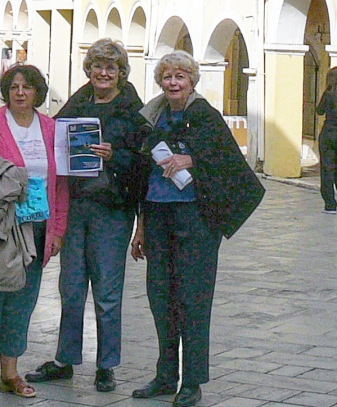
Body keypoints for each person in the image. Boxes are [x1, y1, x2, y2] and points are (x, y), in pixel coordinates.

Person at [130, 51, 265, 407]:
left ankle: (192, 381)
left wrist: (192, 158)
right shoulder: (153, 115)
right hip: (157, 215)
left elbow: (229, 161)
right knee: (160, 296)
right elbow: (143, 173)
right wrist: (140, 226)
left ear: (191, 81)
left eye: (180, 77)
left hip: (195, 219)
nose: (173, 83)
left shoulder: (205, 115)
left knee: (192, 299)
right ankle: (164, 374)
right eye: (168, 77)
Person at [26, 38, 144, 392]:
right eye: (97, 66)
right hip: (76, 207)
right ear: (89, 69)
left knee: (107, 291)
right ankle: (65, 359)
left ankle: (106, 364)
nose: (103, 73)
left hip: (112, 210)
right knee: (71, 288)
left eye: (111, 67)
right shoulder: (76, 104)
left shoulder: (134, 112)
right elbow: (53, 141)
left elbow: (144, 165)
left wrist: (115, 156)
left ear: (121, 72)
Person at [0, 64, 69, 403]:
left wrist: (58, 230)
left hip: (36, 229)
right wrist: (7, 176)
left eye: (28, 87)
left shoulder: (49, 128)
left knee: (22, 303)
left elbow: (60, 184)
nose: (21, 92)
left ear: (38, 92)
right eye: (15, 86)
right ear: (7, 92)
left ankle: (10, 372)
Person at [316, 66, 337, 215]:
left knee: (327, 169)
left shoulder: (328, 93)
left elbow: (319, 111)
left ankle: (330, 204)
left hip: (328, 132)